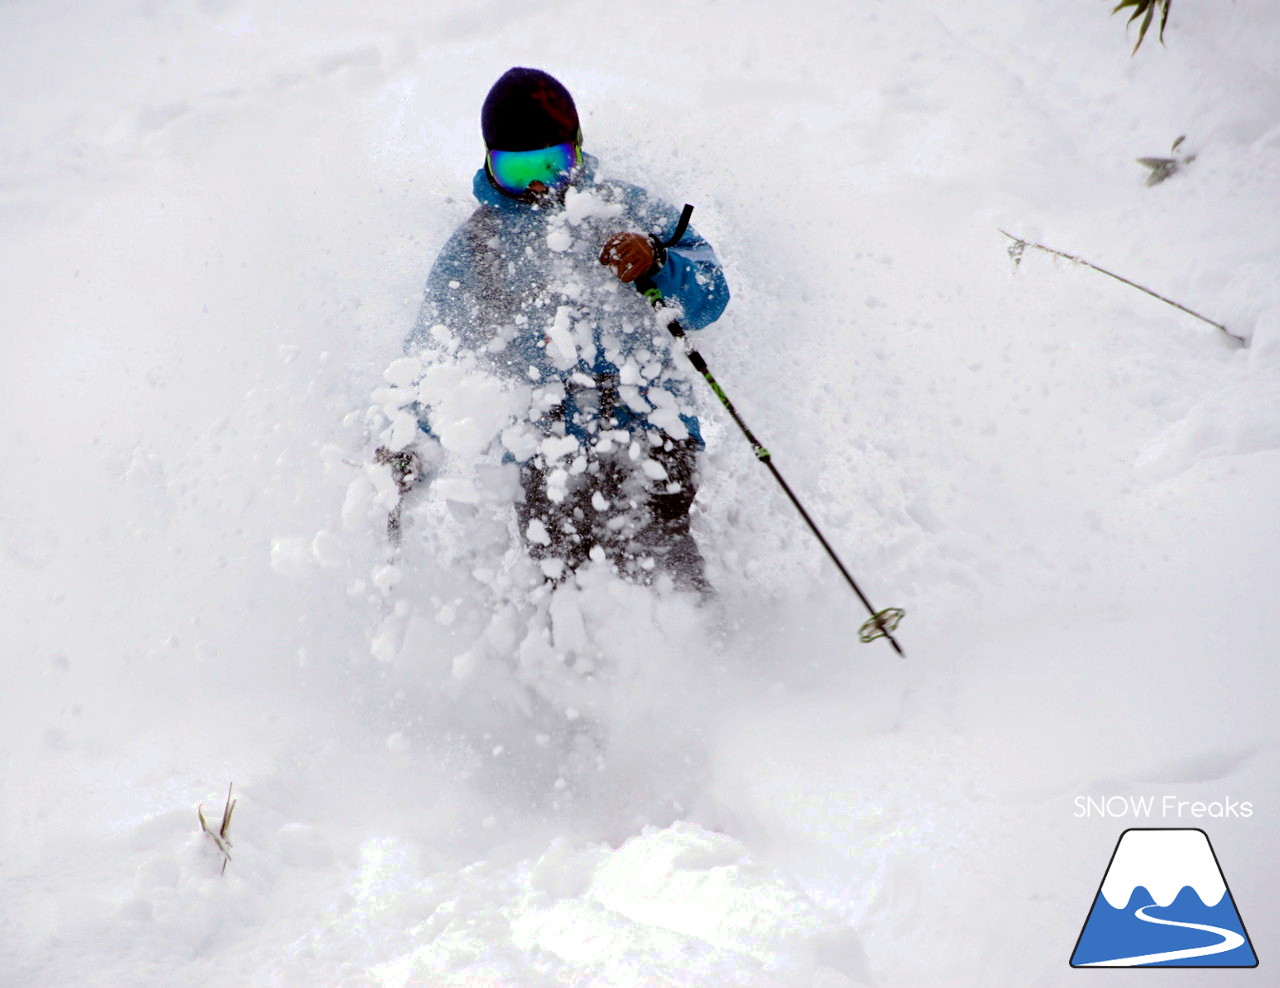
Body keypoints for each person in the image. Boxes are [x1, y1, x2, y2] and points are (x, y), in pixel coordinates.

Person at [398, 67, 729, 593]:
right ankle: (577, 669)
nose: (535, 184)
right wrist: (407, 442)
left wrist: (658, 259)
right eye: (517, 167)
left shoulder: (624, 209)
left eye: (553, 165)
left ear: (578, 149)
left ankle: (709, 653)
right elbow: (432, 355)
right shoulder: (477, 249)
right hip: (544, 453)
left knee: (665, 562)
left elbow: (711, 296)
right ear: (489, 163)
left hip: (653, 427)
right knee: (563, 583)